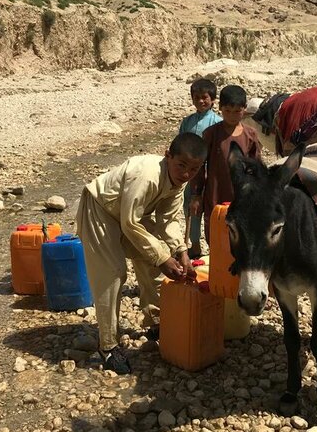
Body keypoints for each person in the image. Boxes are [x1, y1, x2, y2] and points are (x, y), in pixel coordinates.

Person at [75, 132, 206, 374]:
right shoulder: (147, 175)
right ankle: (108, 346)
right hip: (100, 209)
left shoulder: (180, 181)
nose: (186, 174)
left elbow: (168, 220)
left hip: (128, 216)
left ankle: (155, 321)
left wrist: (180, 251)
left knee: (155, 259)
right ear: (168, 156)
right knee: (112, 273)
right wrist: (163, 257)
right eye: (181, 166)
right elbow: (131, 224)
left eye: (194, 169)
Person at [190, 84, 262, 240]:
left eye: (237, 111)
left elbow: (256, 166)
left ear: (244, 110)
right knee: (216, 234)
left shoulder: (250, 135)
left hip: (242, 195)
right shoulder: (211, 134)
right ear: (220, 109)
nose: (232, 116)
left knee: (241, 235)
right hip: (216, 193)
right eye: (228, 111)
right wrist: (196, 195)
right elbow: (200, 166)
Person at [178, 78, 222, 258]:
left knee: (212, 212)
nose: (201, 101)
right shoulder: (187, 122)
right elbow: (180, 143)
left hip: (209, 174)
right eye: (196, 98)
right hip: (189, 174)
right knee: (191, 210)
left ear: (212, 99)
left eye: (204, 97)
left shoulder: (217, 122)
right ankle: (194, 246)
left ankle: (217, 250)